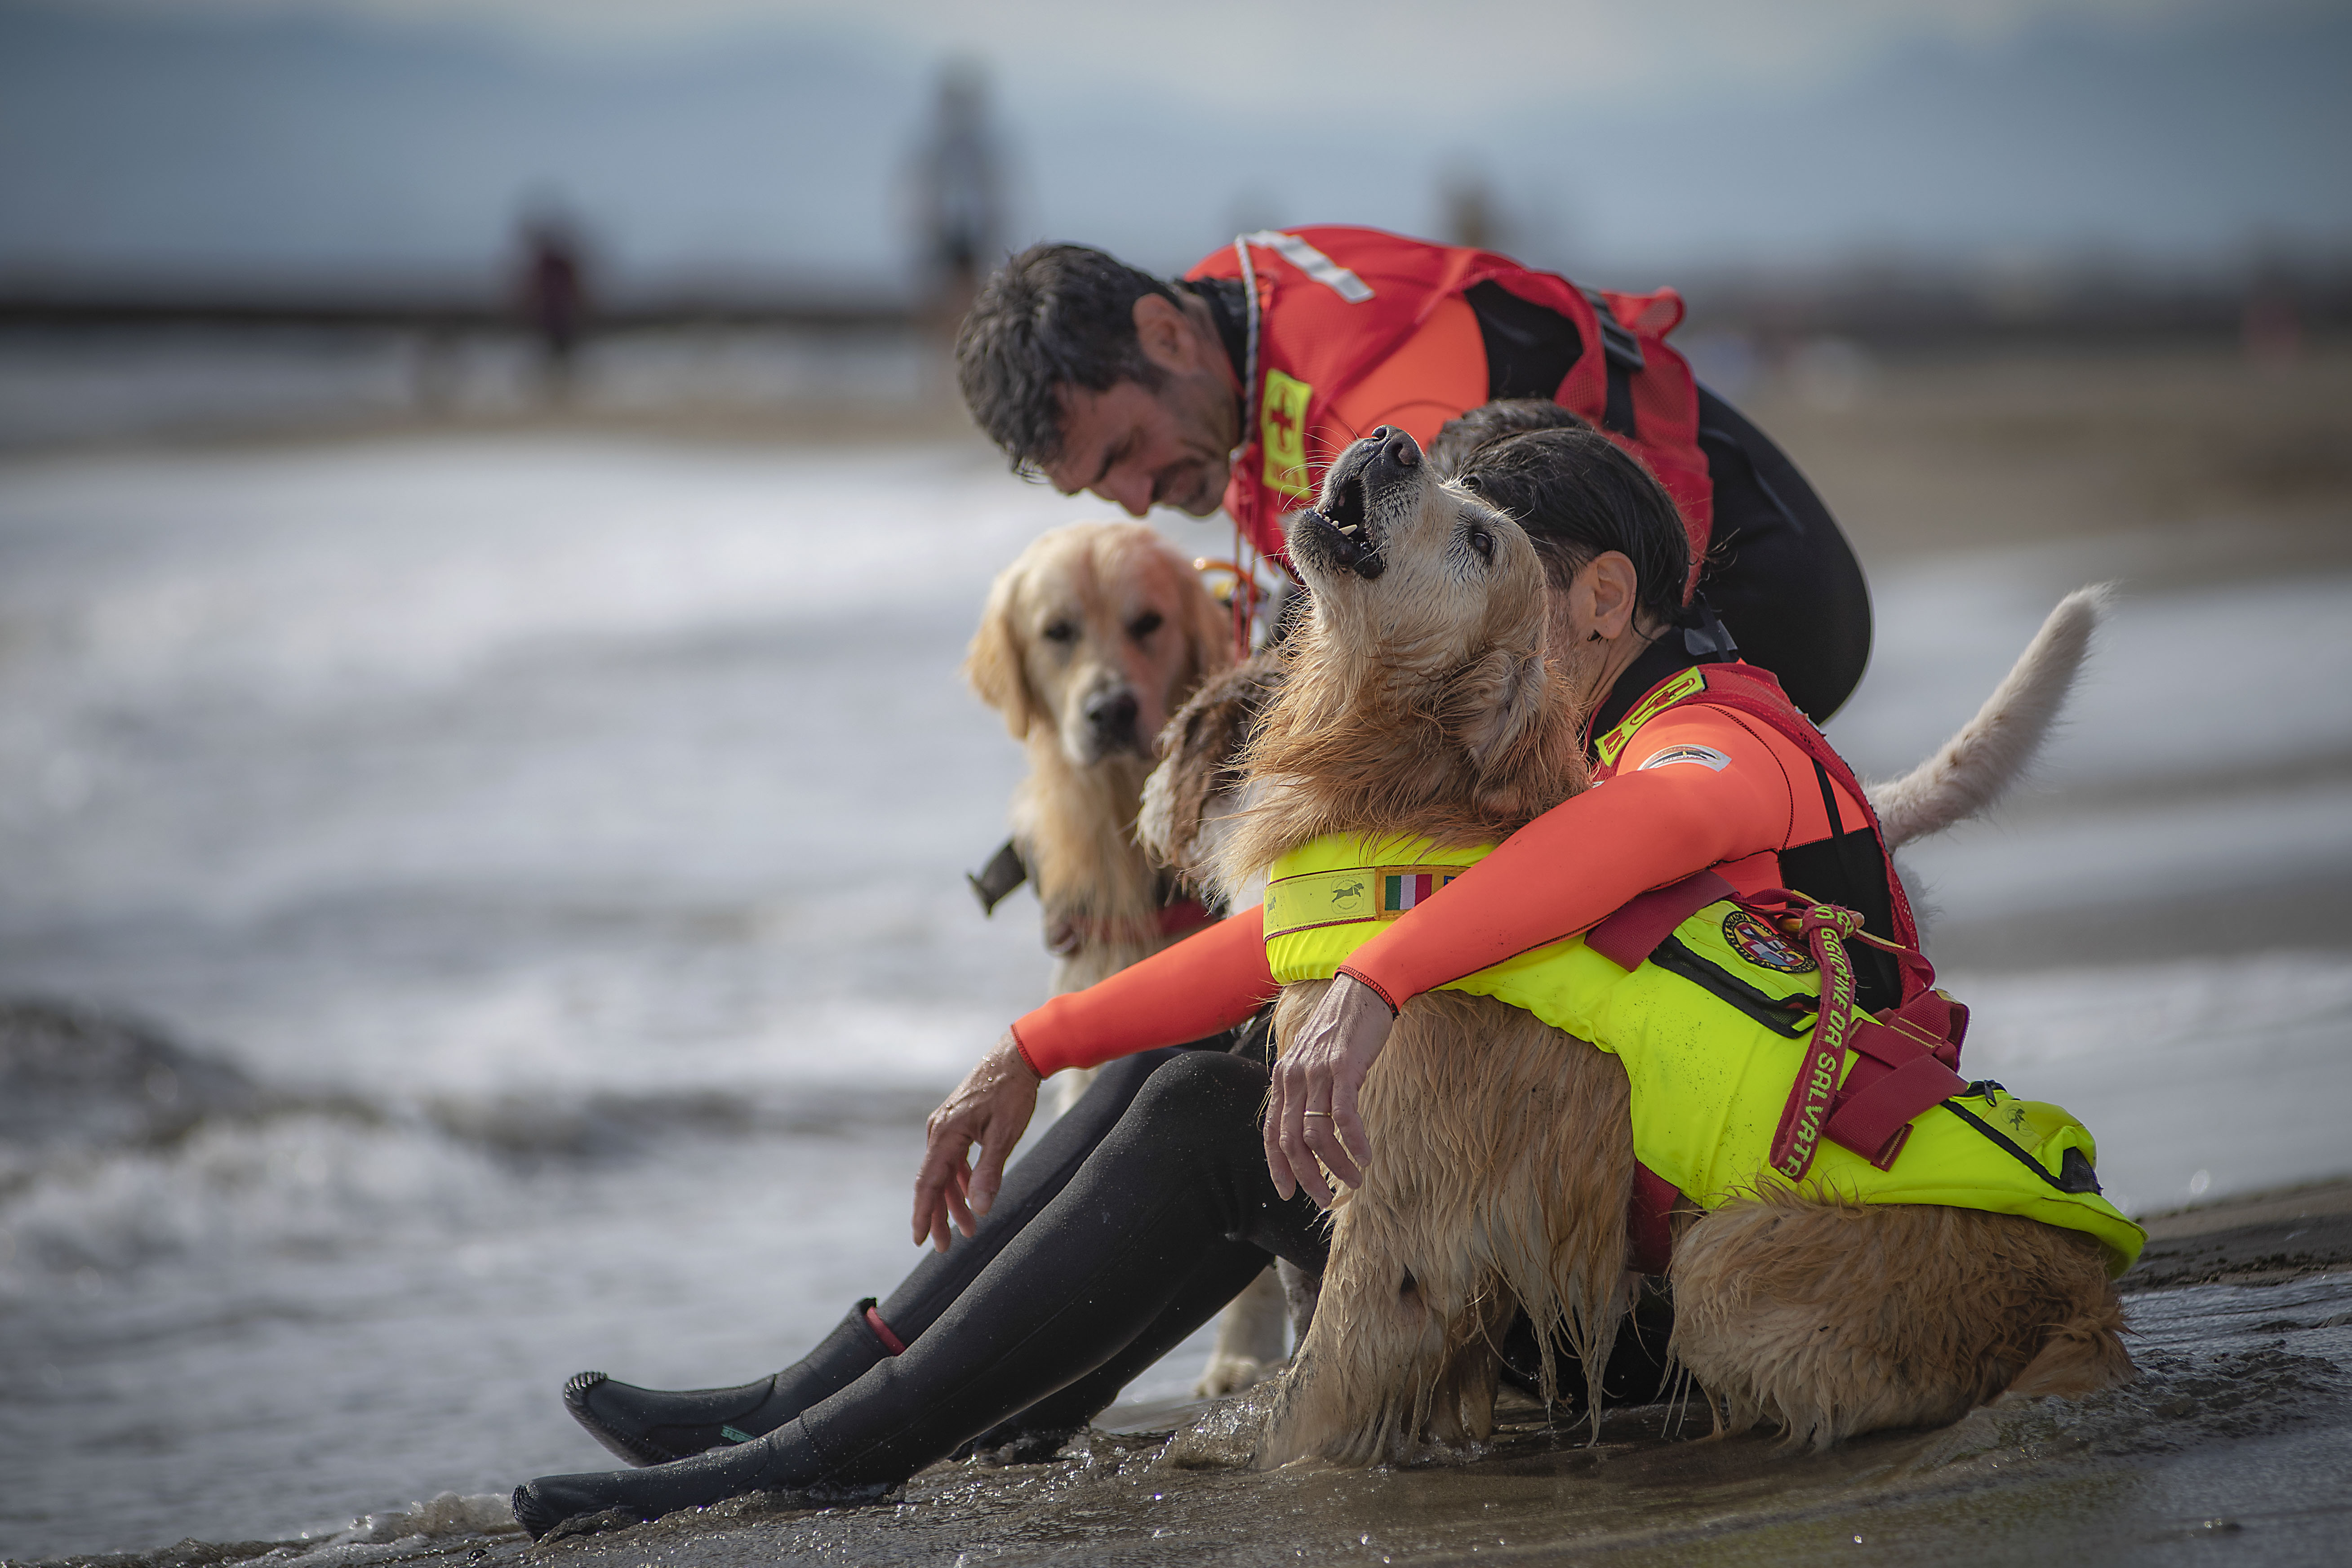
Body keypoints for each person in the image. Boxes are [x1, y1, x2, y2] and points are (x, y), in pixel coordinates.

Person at [512, 411, 1916, 1537]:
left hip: (1699, 1321)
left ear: (1601, 601)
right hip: (1583, 1269)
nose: (1424, 572)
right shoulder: (1553, 760)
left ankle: (833, 1456)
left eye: (1474, 557)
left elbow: (1642, 835)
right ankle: (825, 1399)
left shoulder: (1720, 740)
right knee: (1183, 1070)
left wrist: (1375, 991)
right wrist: (1035, 1044)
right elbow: (1297, 938)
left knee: (1207, 1123)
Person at [952, 230, 1871, 722]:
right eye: (1100, 488)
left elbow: (1430, 685)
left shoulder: (1378, 400)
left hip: (1757, 599)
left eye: (1123, 452)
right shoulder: (1220, 309)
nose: (1138, 500)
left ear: (1163, 333)